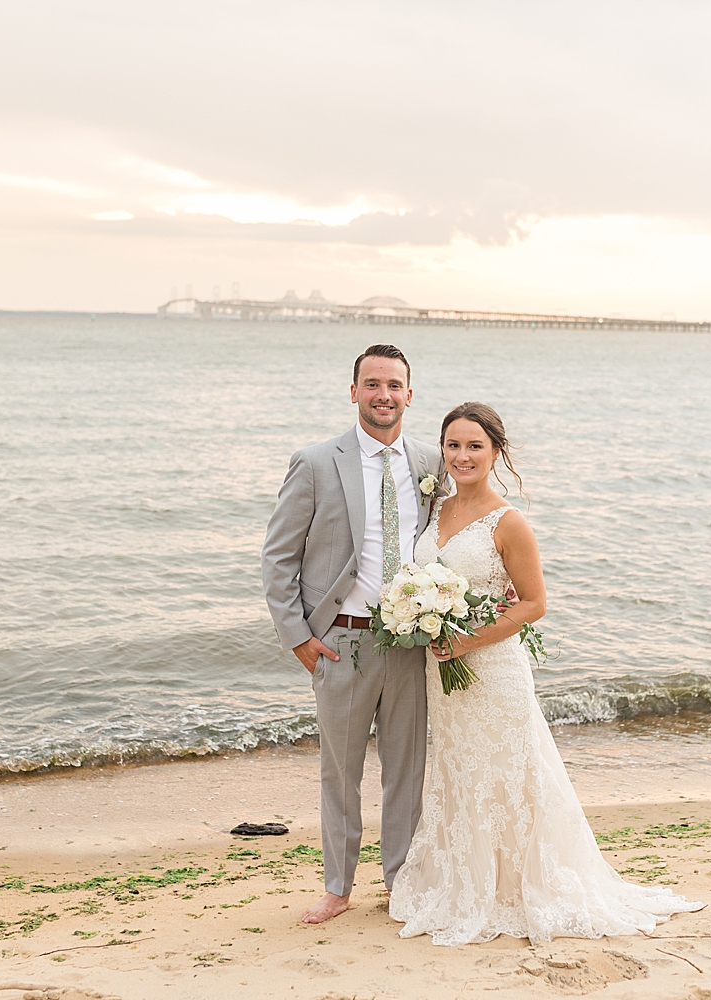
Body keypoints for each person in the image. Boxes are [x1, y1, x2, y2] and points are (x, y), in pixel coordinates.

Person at [389, 401, 704, 945]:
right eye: (453, 445)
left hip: (491, 670)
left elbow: (533, 604)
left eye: (474, 446)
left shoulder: (508, 521)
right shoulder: (433, 510)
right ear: (441, 450)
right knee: (460, 770)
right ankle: (468, 879)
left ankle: (516, 887)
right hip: (441, 674)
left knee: (511, 774)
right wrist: (417, 614)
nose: (462, 456)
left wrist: (463, 640)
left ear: (496, 453)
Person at [261, 344, 443, 924]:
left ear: (409, 395)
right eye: (372, 384)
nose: (383, 395)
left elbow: (455, 538)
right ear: (354, 391)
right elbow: (278, 558)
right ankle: (338, 886)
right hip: (341, 642)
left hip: (411, 643)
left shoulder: (431, 462)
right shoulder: (316, 462)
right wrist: (298, 638)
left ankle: (400, 883)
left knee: (407, 771)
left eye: (394, 385)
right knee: (339, 771)